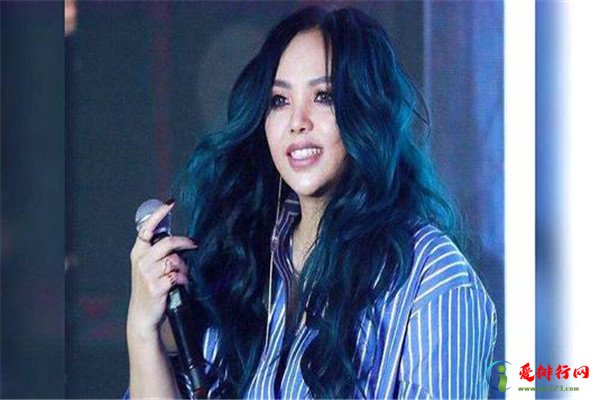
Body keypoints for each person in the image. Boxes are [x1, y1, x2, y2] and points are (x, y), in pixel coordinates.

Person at [126, 6, 497, 399]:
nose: (297, 122)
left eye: (323, 96)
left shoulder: (433, 277)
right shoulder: (242, 270)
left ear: (366, 111)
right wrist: (142, 331)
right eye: (279, 100)